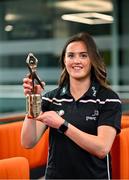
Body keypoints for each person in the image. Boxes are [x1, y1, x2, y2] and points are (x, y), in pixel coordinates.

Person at [21, 32, 122, 179]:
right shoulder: (51, 99)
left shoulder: (108, 99)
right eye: (71, 55)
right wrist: (33, 98)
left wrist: (63, 125)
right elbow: (27, 142)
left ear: (92, 60)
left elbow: (102, 148)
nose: (76, 61)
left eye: (83, 55)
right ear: (64, 60)